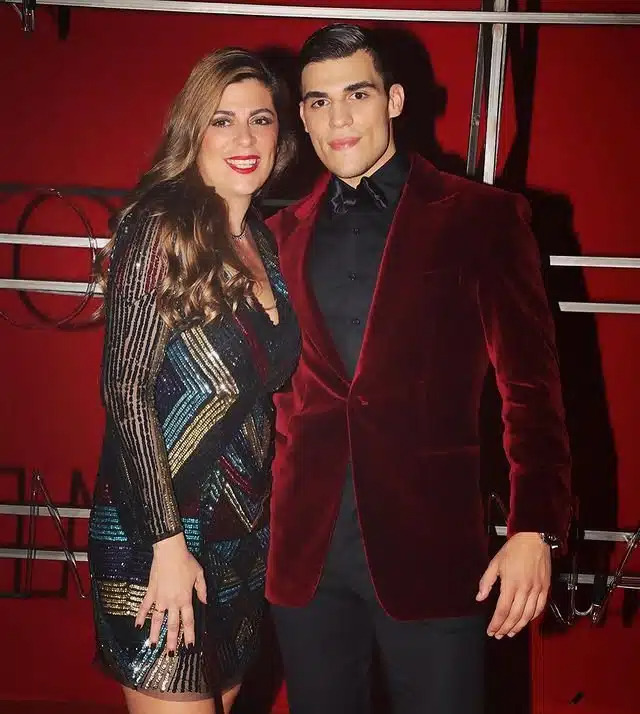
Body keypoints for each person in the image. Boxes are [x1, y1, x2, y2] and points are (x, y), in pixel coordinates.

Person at [266, 24, 572, 714]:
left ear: (395, 100)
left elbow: (532, 389)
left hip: (433, 552)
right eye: (318, 102)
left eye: (357, 94)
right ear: (302, 117)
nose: (338, 119)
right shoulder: (277, 237)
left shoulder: (483, 218)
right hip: (306, 560)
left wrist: (535, 527)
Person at [88, 48, 299, 714]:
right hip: (159, 534)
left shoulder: (265, 243)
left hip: (241, 538)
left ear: (280, 133)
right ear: (193, 131)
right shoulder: (160, 229)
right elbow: (125, 393)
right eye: (222, 120)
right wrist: (167, 544)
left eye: (260, 119)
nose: (244, 138)